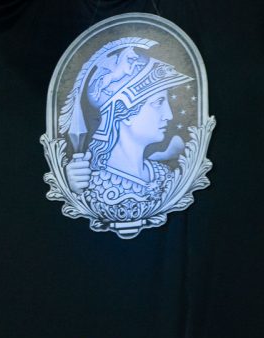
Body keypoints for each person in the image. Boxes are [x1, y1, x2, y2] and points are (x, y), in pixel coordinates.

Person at [60, 44, 194, 225]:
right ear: (124, 112)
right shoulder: (92, 184)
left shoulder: (164, 175)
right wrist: (74, 190)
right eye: (158, 102)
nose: (169, 114)